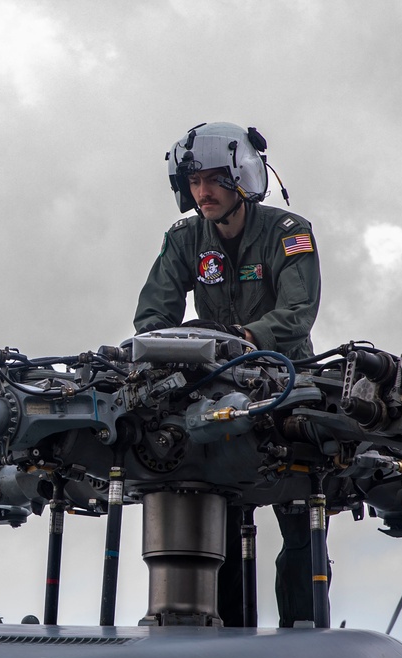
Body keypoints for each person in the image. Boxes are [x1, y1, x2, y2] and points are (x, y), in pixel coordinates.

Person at [133, 122, 322, 627]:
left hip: (286, 388)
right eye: (194, 183)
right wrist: (174, 353)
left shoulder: (289, 232)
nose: (203, 192)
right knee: (223, 516)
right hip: (215, 397)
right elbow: (153, 318)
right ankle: (227, 640)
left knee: (301, 521)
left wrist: (240, 338)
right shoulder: (184, 239)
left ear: (241, 178)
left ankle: (304, 637)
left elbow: (298, 311)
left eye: (214, 180)